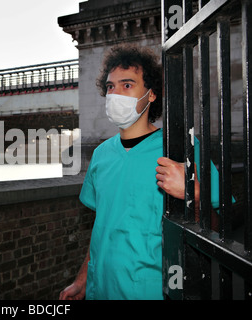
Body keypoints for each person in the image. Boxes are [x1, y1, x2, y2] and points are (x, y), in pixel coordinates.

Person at [59, 44, 220, 300]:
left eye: (127, 85)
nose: (115, 94)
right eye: (110, 87)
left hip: (149, 291)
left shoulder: (181, 149)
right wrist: (82, 279)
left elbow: (217, 230)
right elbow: (103, 225)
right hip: (99, 288)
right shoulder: (101, 155)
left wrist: (194, 195)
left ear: (151, 94)